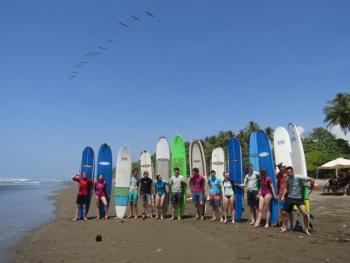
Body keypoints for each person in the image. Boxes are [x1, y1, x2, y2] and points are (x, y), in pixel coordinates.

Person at [281, 166, 314, 235]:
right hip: (290, 198)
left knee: (305, 213)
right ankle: (286, 227)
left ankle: (306, 229)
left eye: (290, 172)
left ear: (293, 171)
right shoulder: (287, 178)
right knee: (284, 212)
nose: (289, 173)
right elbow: (287, 188)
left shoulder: (299, 177)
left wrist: (311, 189)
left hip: (299, 199)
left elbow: (312, 180)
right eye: (288, 172)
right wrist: (283, 196)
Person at [276, 165, 288, 232]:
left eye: (283, 167)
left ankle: (286, 226)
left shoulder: (289, 174)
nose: (281, 168)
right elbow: (277, 184)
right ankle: (283, 225)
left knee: (285, 211)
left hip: (287, 195)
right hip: (280, 194)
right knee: (281, 210)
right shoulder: (279, 174)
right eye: (280, 167)